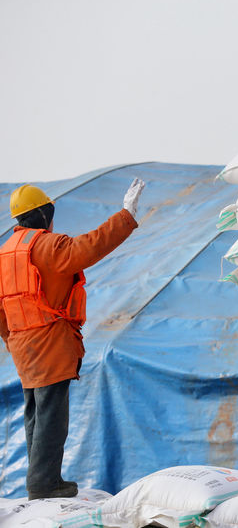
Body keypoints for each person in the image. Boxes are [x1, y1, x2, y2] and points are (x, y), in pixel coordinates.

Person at [0, 179, 145, 500]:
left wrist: (12, 341)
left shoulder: (6, 253)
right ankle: (44, 485)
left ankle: (41, 478)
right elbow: (89, 247)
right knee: (52, 415)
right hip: (50, 342)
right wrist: (125, 216)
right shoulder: (47, 247)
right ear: (42, 215)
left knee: (36, 413)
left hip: (22, 347)